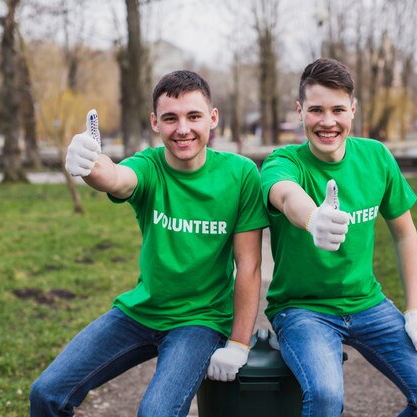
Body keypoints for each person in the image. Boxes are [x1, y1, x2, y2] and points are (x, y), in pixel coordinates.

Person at [30, 70, 269, 417]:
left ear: (213, 118)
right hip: (140, 312)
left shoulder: (241, 174)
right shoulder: (150, 165)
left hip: (199, 322)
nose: (182, 129)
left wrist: (238, 344)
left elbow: (249, 266)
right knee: (47, 392)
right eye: (170, 118)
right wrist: (89, 164)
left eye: (194, 116)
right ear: (155, 122)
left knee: (155, 412)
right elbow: (117, 178)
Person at [260, 58, 417, 416]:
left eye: (338, 109)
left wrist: (413, 310)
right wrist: (313, 217)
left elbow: (405, 233)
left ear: (353, 109)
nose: (327, 121)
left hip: (368, 304)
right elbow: (285, 194)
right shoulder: (283, 161)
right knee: (325, 396)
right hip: (303, 309)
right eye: (316, 110)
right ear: (299, 110)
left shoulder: (377, 157)